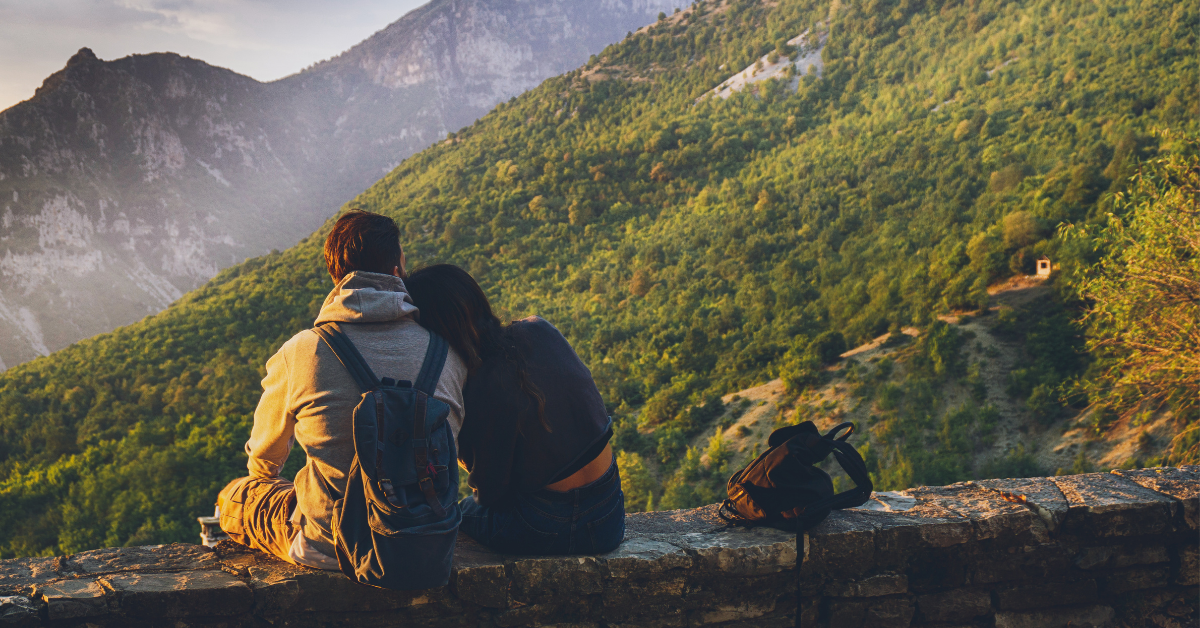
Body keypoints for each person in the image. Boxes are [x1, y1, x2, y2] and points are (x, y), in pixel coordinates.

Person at [216, 210, 467, 569]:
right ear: (398, 270)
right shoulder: (447, 352)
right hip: (424, 540)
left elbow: (264, 459)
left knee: (236, 496)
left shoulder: (303, 350)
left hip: (330, 544)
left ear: (336, 277)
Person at [404, 264, 623, 555]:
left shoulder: (479, 387)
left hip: (547, 524)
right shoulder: (539, 329)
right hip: (610, 513)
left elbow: (490, 495)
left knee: (458, 513)